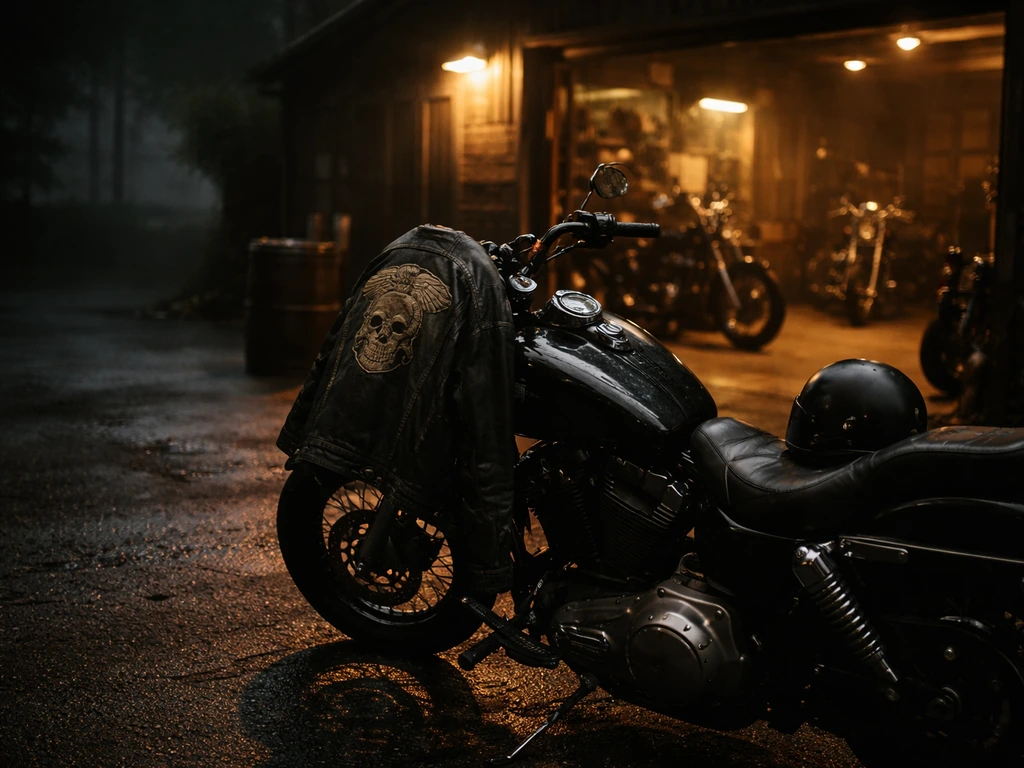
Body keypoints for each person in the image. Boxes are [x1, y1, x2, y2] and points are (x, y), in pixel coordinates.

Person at [276, 224, 517, 593]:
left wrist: (301, 428)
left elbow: (333, 346)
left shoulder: (394, 255)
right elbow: (486, 430)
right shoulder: (472, 283)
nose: (382, 335)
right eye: (378, 325)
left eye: (392, 328)